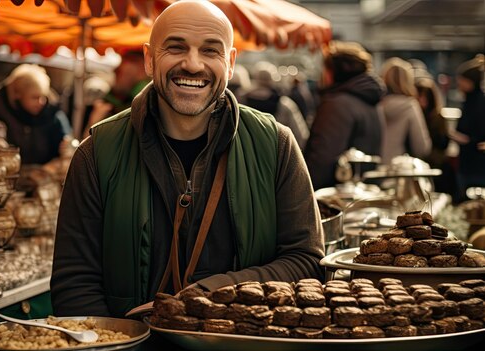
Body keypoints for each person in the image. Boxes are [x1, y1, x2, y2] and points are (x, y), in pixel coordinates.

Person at [51, 0, 325, 318]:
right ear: (150, 60)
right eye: (176, 48)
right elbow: (74, 285)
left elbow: (306, 262)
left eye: (211, 51)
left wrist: (214, 291)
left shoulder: (275, 145)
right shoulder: (96, 153)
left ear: (231, 62)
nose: (193, 65)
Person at [304, 41, 386, 190]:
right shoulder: (369, 100)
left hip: (337, 198)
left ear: (333, 72)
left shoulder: (337, 104)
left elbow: (322, 159)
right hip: (364, 192)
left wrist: (305, 190)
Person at [0, 64, 71, 165]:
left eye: (43, 97)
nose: (41, 102)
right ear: (18, 94)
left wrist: (66, 147)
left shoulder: (53, 115)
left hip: (46, 172)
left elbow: (67, 141)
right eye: (34, 97)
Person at [240, 61, 309, 150]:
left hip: (247, 155)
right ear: (273, 79)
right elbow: (301, 136)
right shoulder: (285, 104)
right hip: (277, 156)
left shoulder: (240, 100)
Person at [378, 57, 432, 164]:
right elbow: (421, 147)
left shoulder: (375, 104)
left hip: (373, 167)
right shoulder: (409, 106)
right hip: (398, 169)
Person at [450, 54, 485, 201]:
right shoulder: (469, 101)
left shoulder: (479, 103)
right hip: (468, 161)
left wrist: (467, 140)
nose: (459, 83)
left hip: (476, 164)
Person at [415, 76, 454, 194]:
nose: (421, 100)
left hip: (436, 167)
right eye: (419, 96)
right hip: (418, 166)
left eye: (425, 97)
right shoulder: (413, 115)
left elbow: (443, 144)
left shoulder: (437, 118)